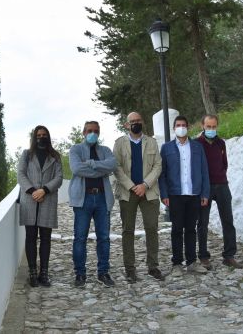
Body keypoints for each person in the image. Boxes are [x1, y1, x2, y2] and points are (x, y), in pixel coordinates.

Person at [113, 112, 164, 283]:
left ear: (142, 122)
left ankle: (153, 266)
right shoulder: (120, 143)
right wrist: (131, 186)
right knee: (128, 231)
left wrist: (145, 184)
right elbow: (116, 167)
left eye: (138, 121)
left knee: (152, 228)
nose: (135, 123)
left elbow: (158, 165)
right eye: (132, 121)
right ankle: (130, 269)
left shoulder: (152, 142)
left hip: (148, 191)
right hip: (128, 192)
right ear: (126, 125)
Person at [158, 115, 210, 276]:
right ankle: (177, 263)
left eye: (184, 125)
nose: (181, 127)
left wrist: (205, 193)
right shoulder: (166, 148)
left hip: (194, 193)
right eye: (178, 125)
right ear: (174, 129)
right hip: (175, 194)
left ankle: (192, 262)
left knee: (191, 229)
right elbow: (162, 173)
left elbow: (204, 171)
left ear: (188, 127)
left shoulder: (196, 147)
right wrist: (164, 194)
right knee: (176, 229)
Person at [68, 120, 117, 288]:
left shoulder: (105, 150)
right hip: (83, 199)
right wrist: (100, 170)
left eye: (96, 131)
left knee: (104, 238)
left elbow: (112, 165)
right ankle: (80, 274)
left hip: (103, 198)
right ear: (83, 132)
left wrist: (92, 164)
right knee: (80, 238)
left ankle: (103, 272)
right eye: (89, 130)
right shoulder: (76, 149)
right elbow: (76, 169)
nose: (92, 133)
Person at [17, 125, 64, 287]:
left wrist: (43, 190)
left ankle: (44, 273)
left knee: (45, 238)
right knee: (30, 237)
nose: (41, 137)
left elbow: (59, 177)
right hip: (29, 200)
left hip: (48, 199)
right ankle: (32, 273)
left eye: (44, 135)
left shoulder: (55, 156)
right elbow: (21, 174)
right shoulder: (26, 154)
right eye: (38, 135)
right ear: (34, 138)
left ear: (48, 137)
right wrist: (32, 191)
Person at [196, 114, 243, 269]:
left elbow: (224, 164)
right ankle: (203, 256)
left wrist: (221, 177)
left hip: (222, 185)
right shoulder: (196, 144)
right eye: (208, 126)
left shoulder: (221, 143)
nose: (211, 129)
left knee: (228, 221)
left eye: (214, 126)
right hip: (205, 187)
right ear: (202, 126)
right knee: (203, 223)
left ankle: (229, 255)